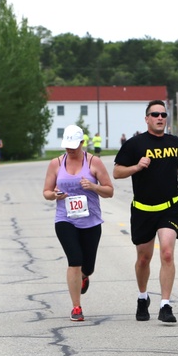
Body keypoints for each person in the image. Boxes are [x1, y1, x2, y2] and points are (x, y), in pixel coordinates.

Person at [113, 100, 178, 324]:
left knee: (167, 253)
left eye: (163, 114)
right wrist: (137, 167)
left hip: (169, 207)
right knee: (143, 258)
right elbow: (117, 172)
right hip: (143, 210)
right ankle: (142, 297)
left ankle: (165, 305)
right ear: (146, 118)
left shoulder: (175, 142)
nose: (159, 118)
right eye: (154, 114)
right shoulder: (134, 144)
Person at [43, 124, 114, 322]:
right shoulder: (56, 163)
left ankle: (84, 277)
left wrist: (92, 186)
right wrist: (55, 195)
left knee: (87, 266)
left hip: (90, 220)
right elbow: (46, 192)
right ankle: (76, 307)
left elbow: (109, 190)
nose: (70, 150)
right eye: (67, 146)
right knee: (74, 260)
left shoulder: (94, 162)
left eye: (74, 146)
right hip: (65, 219)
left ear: (82, 143)